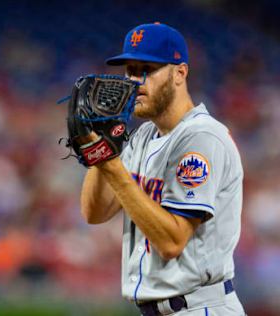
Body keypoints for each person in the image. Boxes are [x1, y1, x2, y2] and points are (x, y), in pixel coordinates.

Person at [79, 23, 246, 315]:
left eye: (148, 69)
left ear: (180, 73)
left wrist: (112, 166)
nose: (136, 81)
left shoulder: (201, 137)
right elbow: (95, 213)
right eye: (131, 70)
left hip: (199, 307)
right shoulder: (143, 135)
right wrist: (102, 148)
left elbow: (172, 242)